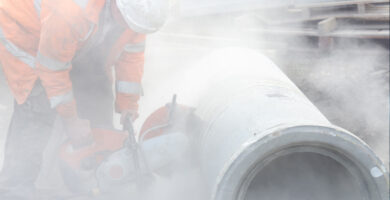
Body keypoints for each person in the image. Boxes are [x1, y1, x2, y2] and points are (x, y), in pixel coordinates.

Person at [0, 0, 169, 198]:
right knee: (38, 107)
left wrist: (128, 104)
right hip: (28, 36)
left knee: (97, 92)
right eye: (125, 21)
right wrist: (71, 120)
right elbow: (52, 68)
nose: (128, 28)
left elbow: (131, 55)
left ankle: (95, 180)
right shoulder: (72, 9)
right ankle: (15, 189)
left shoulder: (136, 16)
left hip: (68, 38)